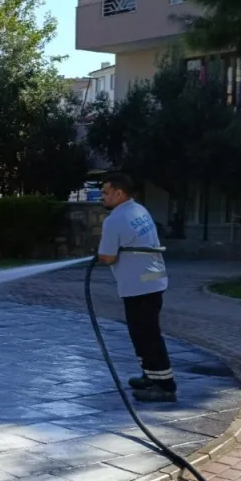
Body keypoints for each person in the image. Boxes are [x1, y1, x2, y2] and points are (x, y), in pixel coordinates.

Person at [97, 173, 176, 403]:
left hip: (138, 286)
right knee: (143, 334)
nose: (102, 197)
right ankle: (151, 375)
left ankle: (165, 386)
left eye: (105, 192)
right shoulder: (139, 210)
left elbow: (108, 257)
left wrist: (101, 256)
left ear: (119, 193)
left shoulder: (114, 220)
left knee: (146, 336)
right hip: (153, 280)